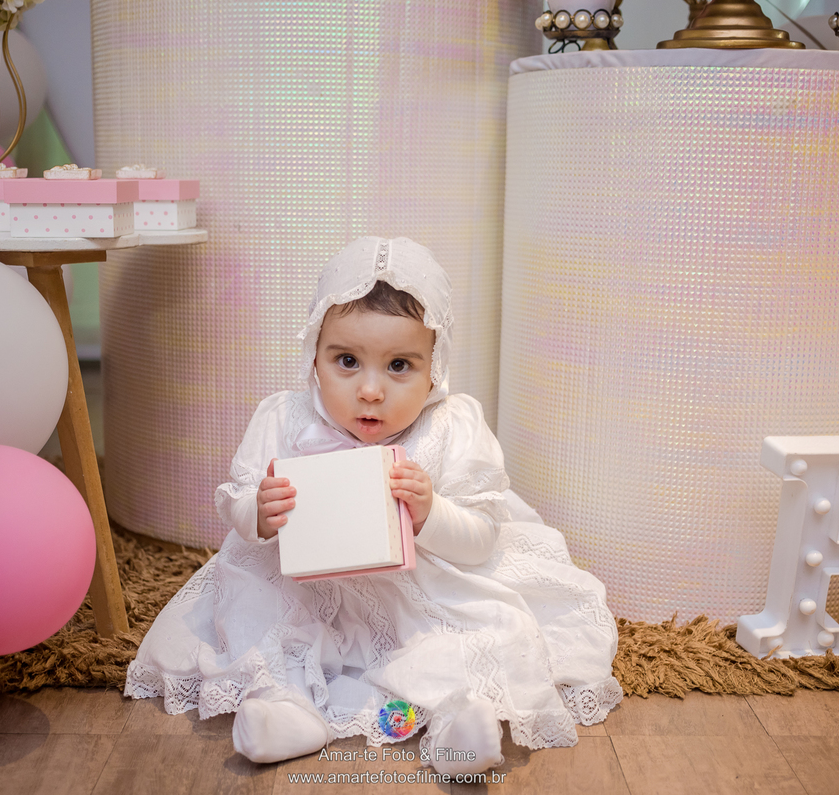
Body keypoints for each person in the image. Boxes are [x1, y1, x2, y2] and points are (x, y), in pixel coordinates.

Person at [124, 237, 621, 776]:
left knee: (474, 631)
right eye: (347, 361)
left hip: (420, 588)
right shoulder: (285, 418)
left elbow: (480, 539)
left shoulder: (451, 426)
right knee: (256, 615)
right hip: (304, 585)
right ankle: (286, 708)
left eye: (399, 366)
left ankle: (457, 727)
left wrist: (430, 510)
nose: (369, 390)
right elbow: (238, 502)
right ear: (314, 357)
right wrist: (259, 514)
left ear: (436, 367)